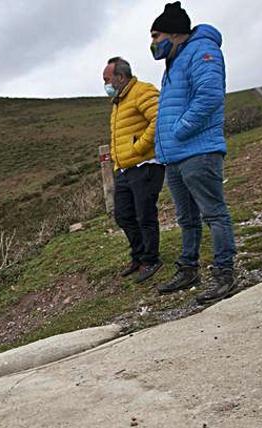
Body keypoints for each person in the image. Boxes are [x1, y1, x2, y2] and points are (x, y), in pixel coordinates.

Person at [150, 1, 237, 302]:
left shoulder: (201, 51)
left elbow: (210, 94)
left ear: (174, 33)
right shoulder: (175, 61)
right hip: (176, 156)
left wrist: (181, 129)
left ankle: (225, 273)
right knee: (187, 218)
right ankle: (189, 269)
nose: (153, 43)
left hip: (198, 151)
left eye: (156, 35)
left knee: (214, 213)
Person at [103, 56, 164, 283]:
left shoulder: (142, 91)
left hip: (145, 165)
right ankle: (139, 256)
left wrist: (139, 147)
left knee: (145, 214)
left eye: (107, 79)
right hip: (125, 169)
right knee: (124, 215)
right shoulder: (118, 102)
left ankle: (151, 259)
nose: (106, 85)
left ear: (120, 76)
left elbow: (159, 119)